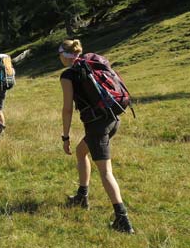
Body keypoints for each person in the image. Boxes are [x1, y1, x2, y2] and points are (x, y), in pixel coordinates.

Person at [58, 39, 134, 234]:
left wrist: (65, 136)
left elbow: (67, 109)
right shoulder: (92, 63)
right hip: (113, 118)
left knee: (106, 172)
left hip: (97, 126)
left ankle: (122, 220)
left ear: (64, 55)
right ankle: (82, 196)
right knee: (81, 152)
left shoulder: (68, 75)